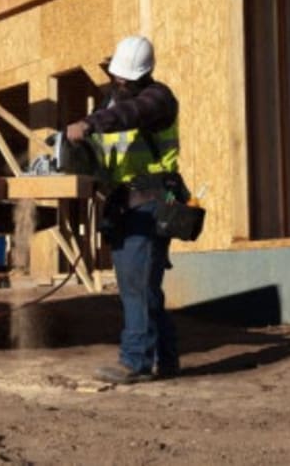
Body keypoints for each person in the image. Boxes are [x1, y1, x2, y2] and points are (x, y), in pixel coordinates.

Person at [66, 35, 180, 384]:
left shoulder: (158, 99)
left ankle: (135, 361)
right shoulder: (112, 103)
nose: (120, 84)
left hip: (151, 203)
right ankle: (165, 358)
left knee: (136, 285)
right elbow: (107, 141)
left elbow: (131, 114)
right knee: (145, 287)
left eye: (126, 79)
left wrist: (89, 124)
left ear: (144, 75)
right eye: (117, 77)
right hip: (126, 206)